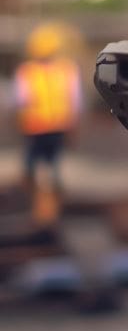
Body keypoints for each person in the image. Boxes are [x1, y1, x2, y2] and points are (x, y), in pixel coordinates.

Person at [14, 23, 82, 226]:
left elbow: (20, 101)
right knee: (47, 166)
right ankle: (44, 206)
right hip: (52, 126)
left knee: (38, 166)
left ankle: (45, 208)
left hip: (40, 126)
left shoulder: (28, 71)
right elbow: (75, 101)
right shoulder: (66, 69)